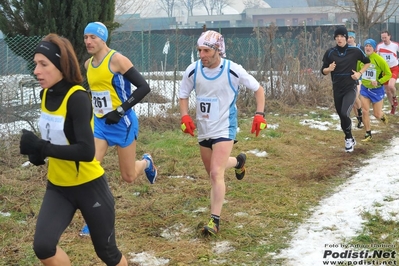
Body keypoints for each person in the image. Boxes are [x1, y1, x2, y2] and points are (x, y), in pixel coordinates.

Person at [19, 33, 128, 265]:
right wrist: (37, 152)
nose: (36, 70)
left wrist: (43, 148)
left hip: (90, 187)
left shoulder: (77, 97)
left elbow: (86, 151)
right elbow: (56, 138)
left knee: (108, 254)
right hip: (58, 187)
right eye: (35, 63)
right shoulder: (46, 94)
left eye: (43, 64)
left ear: (61, 65)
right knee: (43, 247)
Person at [179, 30, 266, 236]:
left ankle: (214, 220)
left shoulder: (232, 69)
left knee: (216, 173)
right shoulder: (193, 70)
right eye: (199, 50)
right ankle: (238, 162)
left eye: (206, 50)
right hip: (204, 128)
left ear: (218, 50)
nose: (202, 55)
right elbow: (183, 95)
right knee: (212, 170)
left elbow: (258, 89)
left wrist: (259, 114)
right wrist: (184, 116)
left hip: (225, 127)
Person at [81, 21, 157, 236]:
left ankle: (146, 163)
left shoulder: (116, 60)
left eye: (93, 37)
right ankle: (94, 219)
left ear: (102, 38)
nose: (88, 41)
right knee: (90, 169)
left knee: (129, 176)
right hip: (100, 125)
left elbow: (144, 87)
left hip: (122, 124)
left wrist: (121, 110)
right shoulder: (88, 65)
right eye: (86, 37)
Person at [321, 26, 370, 152]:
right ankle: (349, 137)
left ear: (346, 38)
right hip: (337, 89)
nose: (339, 39)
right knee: (341, 116)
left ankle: (348, 139)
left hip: (350, 87)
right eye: (337, 37)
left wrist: (359, 73)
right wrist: (329, 69)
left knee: (344, 113)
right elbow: (323, 70)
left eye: (342, 36)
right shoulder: (330, 52)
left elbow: (367, 62)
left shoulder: (355, 51)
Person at [359, 39, 391, 141]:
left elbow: (388, 74)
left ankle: (382, 116)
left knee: (377, 114)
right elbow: (357, 71)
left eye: (370, 46)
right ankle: (368, 133)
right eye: (366, 46)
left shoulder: (379, 59)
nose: (367, 48)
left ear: (374, 48)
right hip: (365, 89)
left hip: (377, 90)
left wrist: (379, 81)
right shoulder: (361, 59)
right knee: (365, 111)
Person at [376, 30, 399, 114]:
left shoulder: (395, 45)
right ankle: (392, 105)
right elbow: (377, 57)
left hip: (394, 68)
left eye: (385, 37)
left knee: (391, 86)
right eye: (382, 38)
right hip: (385, 70)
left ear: (390, 36)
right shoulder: (379, 46)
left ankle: (394, 97)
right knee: (387, 90)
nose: (384, 39)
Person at [347, 30, 363, 128]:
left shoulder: (360, 48)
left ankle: (361, 116)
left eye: (351, 38)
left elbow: (366, 62)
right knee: (352, 102)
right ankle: (359, 120)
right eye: (347, 38)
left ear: (354, 38)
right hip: (348, 77)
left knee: (355, 97)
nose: (349, 40)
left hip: (358, 76)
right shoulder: (344, 49)